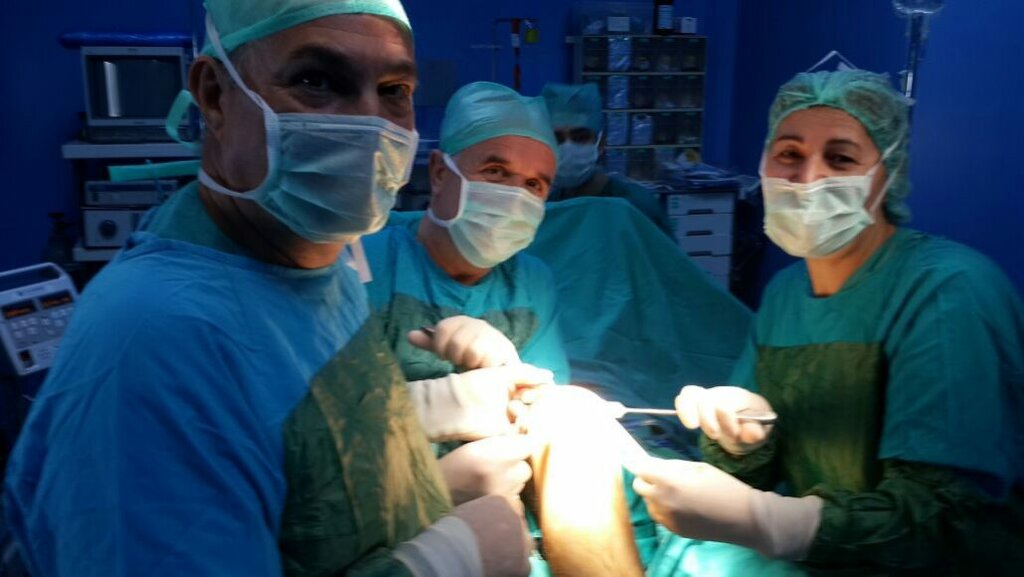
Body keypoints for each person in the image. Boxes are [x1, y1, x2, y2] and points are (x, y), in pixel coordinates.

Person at [2, 2, 533, 576]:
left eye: (394, 90)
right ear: (214, 96)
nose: (369, 124)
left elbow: (297, 437)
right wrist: (447, 560)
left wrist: (436, 413)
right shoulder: (154, 341)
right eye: (316, 81)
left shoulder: (319, 258)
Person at [629, 69, 1024, 575]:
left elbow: (947, 523)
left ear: (887, 174)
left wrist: (772, 521)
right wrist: (742, 442)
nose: (808, 177)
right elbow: (751, 480)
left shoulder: (949, 291)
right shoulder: (785, 294)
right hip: (827, 558)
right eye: (789, 154)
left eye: (840, 159)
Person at [363, 81, 654, 575]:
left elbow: (543, 419)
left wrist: (512, 372)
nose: (514, 197)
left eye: (535, 184)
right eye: (496, 172)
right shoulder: (370, 266)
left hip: (509, 507)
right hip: (382, 509)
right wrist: (431, 480)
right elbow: (330, 432)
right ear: (440, 173)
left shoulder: (532, 284)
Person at [540, 82, 672, 236]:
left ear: (601, 144)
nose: (568, 148)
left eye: (580, 137)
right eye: (557, 139)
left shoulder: (635, 206)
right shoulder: (551, 208)